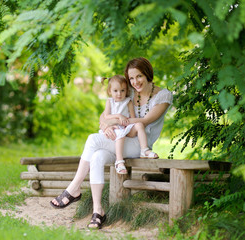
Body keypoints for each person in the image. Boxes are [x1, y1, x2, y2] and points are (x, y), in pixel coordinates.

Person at [50, 57, 173, 230]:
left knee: (93, 139)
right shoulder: (127, 92)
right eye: (131, 78)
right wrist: (105, 125)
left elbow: (145, 120)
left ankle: (73, 189)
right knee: (97, 157)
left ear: (147, 73)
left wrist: (113, 123)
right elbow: (104, 114)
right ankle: (98, 211)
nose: (135, 82)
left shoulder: (163, 96)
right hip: (118, 138)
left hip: (138, 143)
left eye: (139, 76)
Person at [100, 75, 158, 175]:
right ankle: (119, 161)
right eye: (115, 91)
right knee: (121, 134)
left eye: (122, 90)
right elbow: (106, 115)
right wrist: (119, 116)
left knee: (139, 125)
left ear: (126, 90)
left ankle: (144, 150)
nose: (119, 94)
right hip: (116, 128)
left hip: (127, 127)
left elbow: (132, 117)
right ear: (110, 91)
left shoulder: (128, 101)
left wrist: (126, 121)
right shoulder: (109, 101)